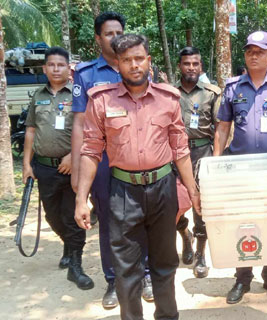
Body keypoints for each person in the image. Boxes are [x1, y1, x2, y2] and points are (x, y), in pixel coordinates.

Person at [75, 34, 199, 320]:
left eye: (139, 59)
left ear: (149, 61)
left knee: (165, 262)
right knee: (126, 268)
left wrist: (192, 190)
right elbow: (91, 151)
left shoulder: (168, 99)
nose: (134, 65)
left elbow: (180, 148)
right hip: (122, 191)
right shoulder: (101, 100)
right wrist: (81, 198)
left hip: (162, 189)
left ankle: (167, 316)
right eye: (127, 60)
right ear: (117, 63)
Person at [70, 11, 153, 308]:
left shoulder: (138, 66)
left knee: (141, 218)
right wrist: (79, 168)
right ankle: (112, 280)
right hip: (103, 161)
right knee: (109, 221)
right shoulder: (86, 73)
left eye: (119, 32)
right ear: (98, 38)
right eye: (109, 33)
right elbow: (80, 123)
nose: (115, 37)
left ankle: (144, 274)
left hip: (136, 158)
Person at [213, 30, 267, 305]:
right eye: (250, 50)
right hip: (241, 170)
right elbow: (223, 128)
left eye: (260, 51)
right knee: (242, 222)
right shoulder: (232, 88)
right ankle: (242, 278)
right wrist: (215, 166)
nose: (254, 55)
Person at [22, 47, 94, 290]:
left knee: (73, 215)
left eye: (60, 65)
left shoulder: (77, 93)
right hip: (44, 168)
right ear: (44, 68)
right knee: (53, 215)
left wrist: (72, 157)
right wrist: (26, 165)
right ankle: (69, 245)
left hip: (73, 167)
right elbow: (31, 130)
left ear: (68, 68)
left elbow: (88, 130)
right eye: (51, 65)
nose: (55, 69)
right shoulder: (37, 96)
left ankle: (76, 265)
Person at [173, 46, 222, 277]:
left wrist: (216, 160)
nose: (191, 67)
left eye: (195, 64)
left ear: (200, 67)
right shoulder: (169, 93)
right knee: (173, 203)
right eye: (186, 64)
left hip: (202, 153)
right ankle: (184, 235)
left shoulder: (212, 93)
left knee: (201, 205)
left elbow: (222, 128)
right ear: (179, 66)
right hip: (174, 156)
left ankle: (201, 253)